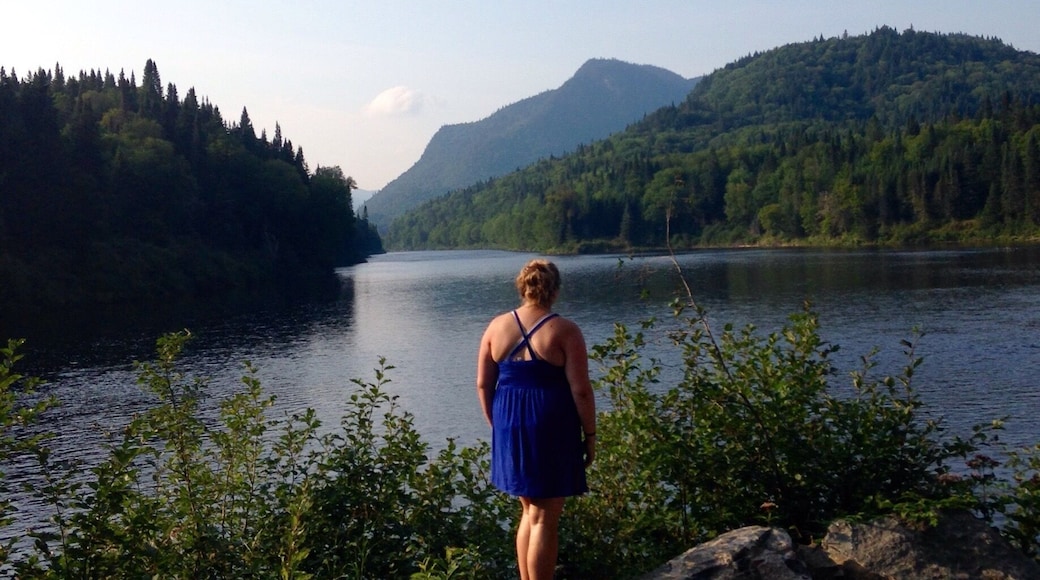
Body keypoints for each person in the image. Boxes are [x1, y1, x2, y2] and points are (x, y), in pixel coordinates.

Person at [477, 259, 597, 580]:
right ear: (554, 290)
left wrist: (497, 425)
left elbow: (483, 384)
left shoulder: (496, 327)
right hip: (550, 425)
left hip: (509, 423)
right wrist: (591, 435)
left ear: (523, 287)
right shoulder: (565, 331)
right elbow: (582, 391)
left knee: (529, 509)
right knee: (545, 517)